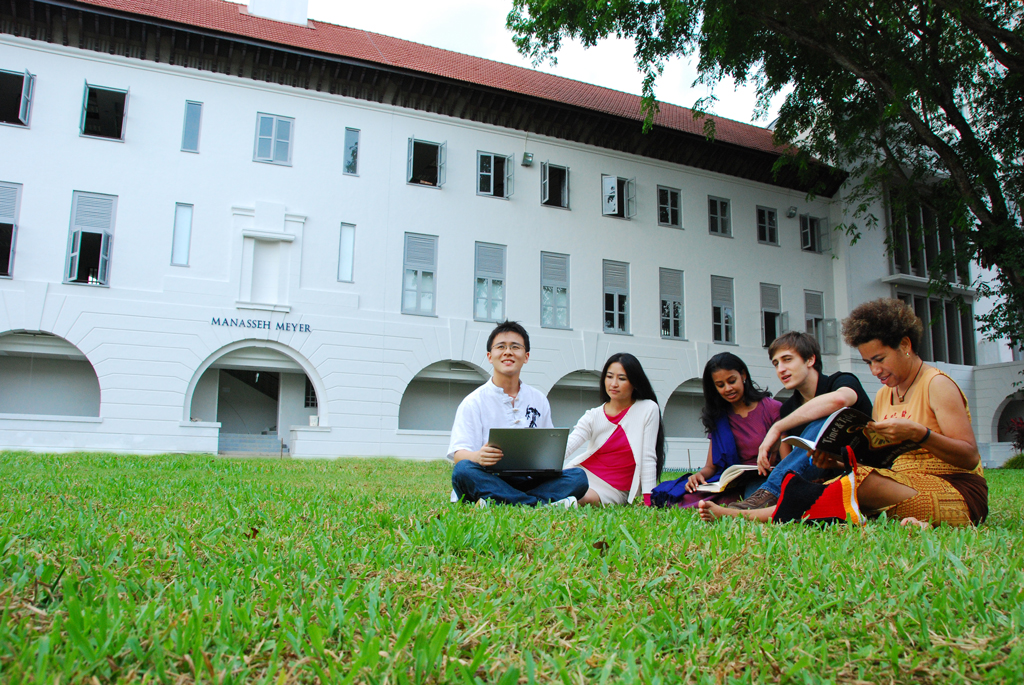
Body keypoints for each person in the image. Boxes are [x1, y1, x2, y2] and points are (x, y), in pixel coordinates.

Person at [699, 298, 987, 527]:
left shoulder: (936, 384)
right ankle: (757, 512)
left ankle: (749, 515)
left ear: (905, 345)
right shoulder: (885, 394)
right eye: (868, 362)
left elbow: (969, 456)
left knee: (854, 485)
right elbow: (881, 460)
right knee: (840, 481)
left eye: (879, 359)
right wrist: (835, 462)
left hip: (954, 490)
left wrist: (920, 434)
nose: (875, 371)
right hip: (901, 482)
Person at [448, 320, 589, 507]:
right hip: (491, 477)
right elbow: (458, 454)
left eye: (515, 347)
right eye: (501, 347)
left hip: (531, 479)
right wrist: (477, 457)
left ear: (526, 356)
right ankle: (539, 505)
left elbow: (550, 448)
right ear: (490, 356)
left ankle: (503, 502)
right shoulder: (473, 402)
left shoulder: (538, 399)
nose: (508, 352)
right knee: (463, 471)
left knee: (579, 477)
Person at [727, 331, 873, 510]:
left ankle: (772, 492)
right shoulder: (789, 408)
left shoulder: (842, 380)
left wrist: (777, 428)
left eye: (787, 359)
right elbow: (793, 461)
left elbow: (840, 400)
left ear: (810, 360)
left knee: (826, 418)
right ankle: (768, 496)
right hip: (827, 478)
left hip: (866, 469)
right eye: (776, 363)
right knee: (752, 492)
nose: (780, 369)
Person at [660, 352, 781, 508]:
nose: (728, 388)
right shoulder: (720, 416)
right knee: (683, 497)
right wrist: (699, 476)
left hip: (766, 477)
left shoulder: (771, 408)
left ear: (743, 375)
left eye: (732, 381)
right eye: (720, 385)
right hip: (733, 481)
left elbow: (787, 460)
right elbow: (711, 467)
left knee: (754, 499)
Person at [563, 353, 666, 506]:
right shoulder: (593, 415)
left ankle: (548, 503)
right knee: (556, 487)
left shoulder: (648, 408)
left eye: (622, 378)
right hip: (581, 475)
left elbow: (648, 458)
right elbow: (569, 444)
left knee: (584, 499)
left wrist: (649, 501)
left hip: (614, 488)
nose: (613, 384)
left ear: (635, 383)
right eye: (609, 376)